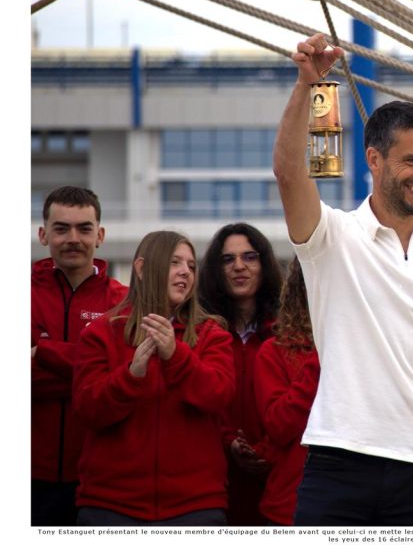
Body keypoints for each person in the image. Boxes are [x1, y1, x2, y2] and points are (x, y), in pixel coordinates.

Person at [274, 33, 413, 526]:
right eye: (412, 160)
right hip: (338, 460)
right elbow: (292, 176)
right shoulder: (330, 236)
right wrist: (307, 87)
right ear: (374, 160)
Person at [72, 231, 235, 525]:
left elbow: (219, 395)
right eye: (175, 262)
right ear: (142, 268)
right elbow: (87, 410)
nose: (186, 271)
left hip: (195, 505)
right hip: (110, 505)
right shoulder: (101, 332)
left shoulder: (212, 334)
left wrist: (176, 356)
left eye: (191, 265)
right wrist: (130, 376)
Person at [32, 186, 128, 526]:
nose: (73, 238)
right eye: (61, 228)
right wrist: (91, 374)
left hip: (101, 481)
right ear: (43, 234)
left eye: (84, 228)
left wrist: (42, 354)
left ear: (99, 235)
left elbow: (124, 375)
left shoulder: (124, 302)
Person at [198, 223, 284, 525]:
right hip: (213, 483)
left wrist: (267, 449)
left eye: (249, 257)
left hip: (279, 481)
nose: (239, 267)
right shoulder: (199, 333)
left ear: (264, 264)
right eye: (227, 259)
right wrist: (228, 441)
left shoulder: (287, 333)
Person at [254, 258, 320, 526]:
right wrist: (324, 357)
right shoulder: (274, 351)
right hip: (290, 507)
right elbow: (278, 426)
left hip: (363, 508)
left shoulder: (372, 345)